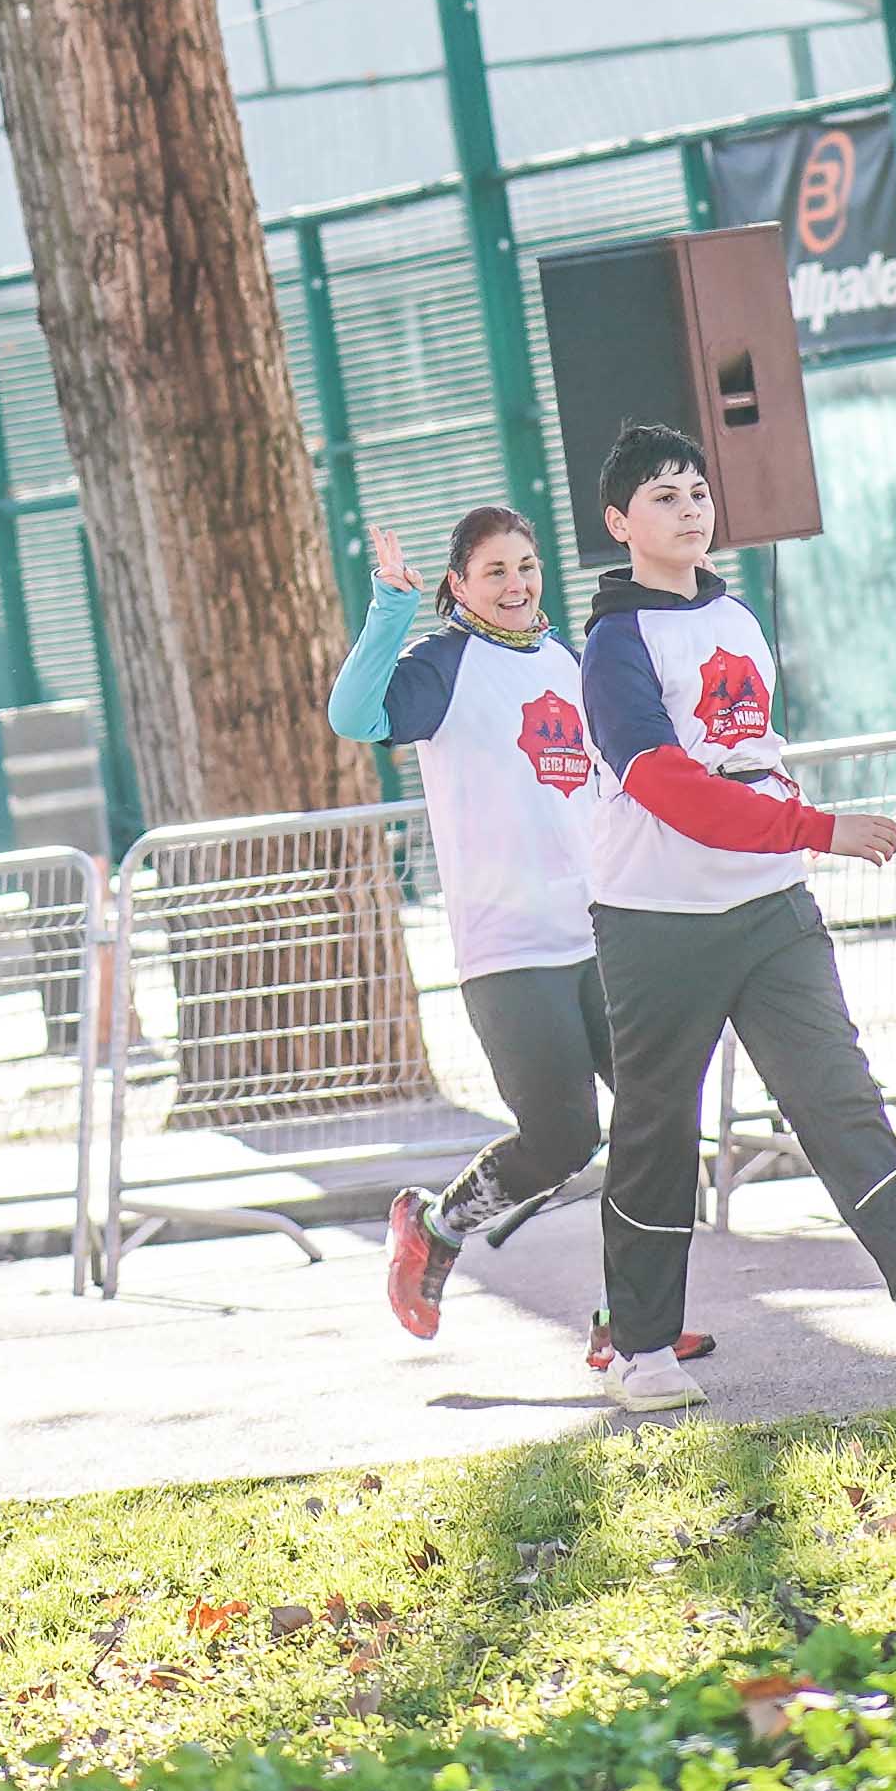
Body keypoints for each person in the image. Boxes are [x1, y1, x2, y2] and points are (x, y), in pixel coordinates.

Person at [576, 422, 896, 1410]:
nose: (690, 507)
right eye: (663, 496)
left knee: (840, 1099)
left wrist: (792, 832)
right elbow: (667, 787)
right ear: (618, 523)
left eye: (697, 489)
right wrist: (817, 825)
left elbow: (748, 756)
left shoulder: (731, 613)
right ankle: (641, 1349)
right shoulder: (613, 643)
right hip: (658, 922)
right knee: (656, 1133)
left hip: (771, 909)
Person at [327, 503, 607, 1337]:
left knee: (659, 1126)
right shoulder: (444, 665)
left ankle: (636, 1319)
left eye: (526, 566)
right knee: (561, 1139)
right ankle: (436, 1228)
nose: (516, 584)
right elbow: (353, 716)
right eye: (495, 571)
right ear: (460, 586)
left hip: (603, 933)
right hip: (510, 949)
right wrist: (388, 607)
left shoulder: (570, 658)